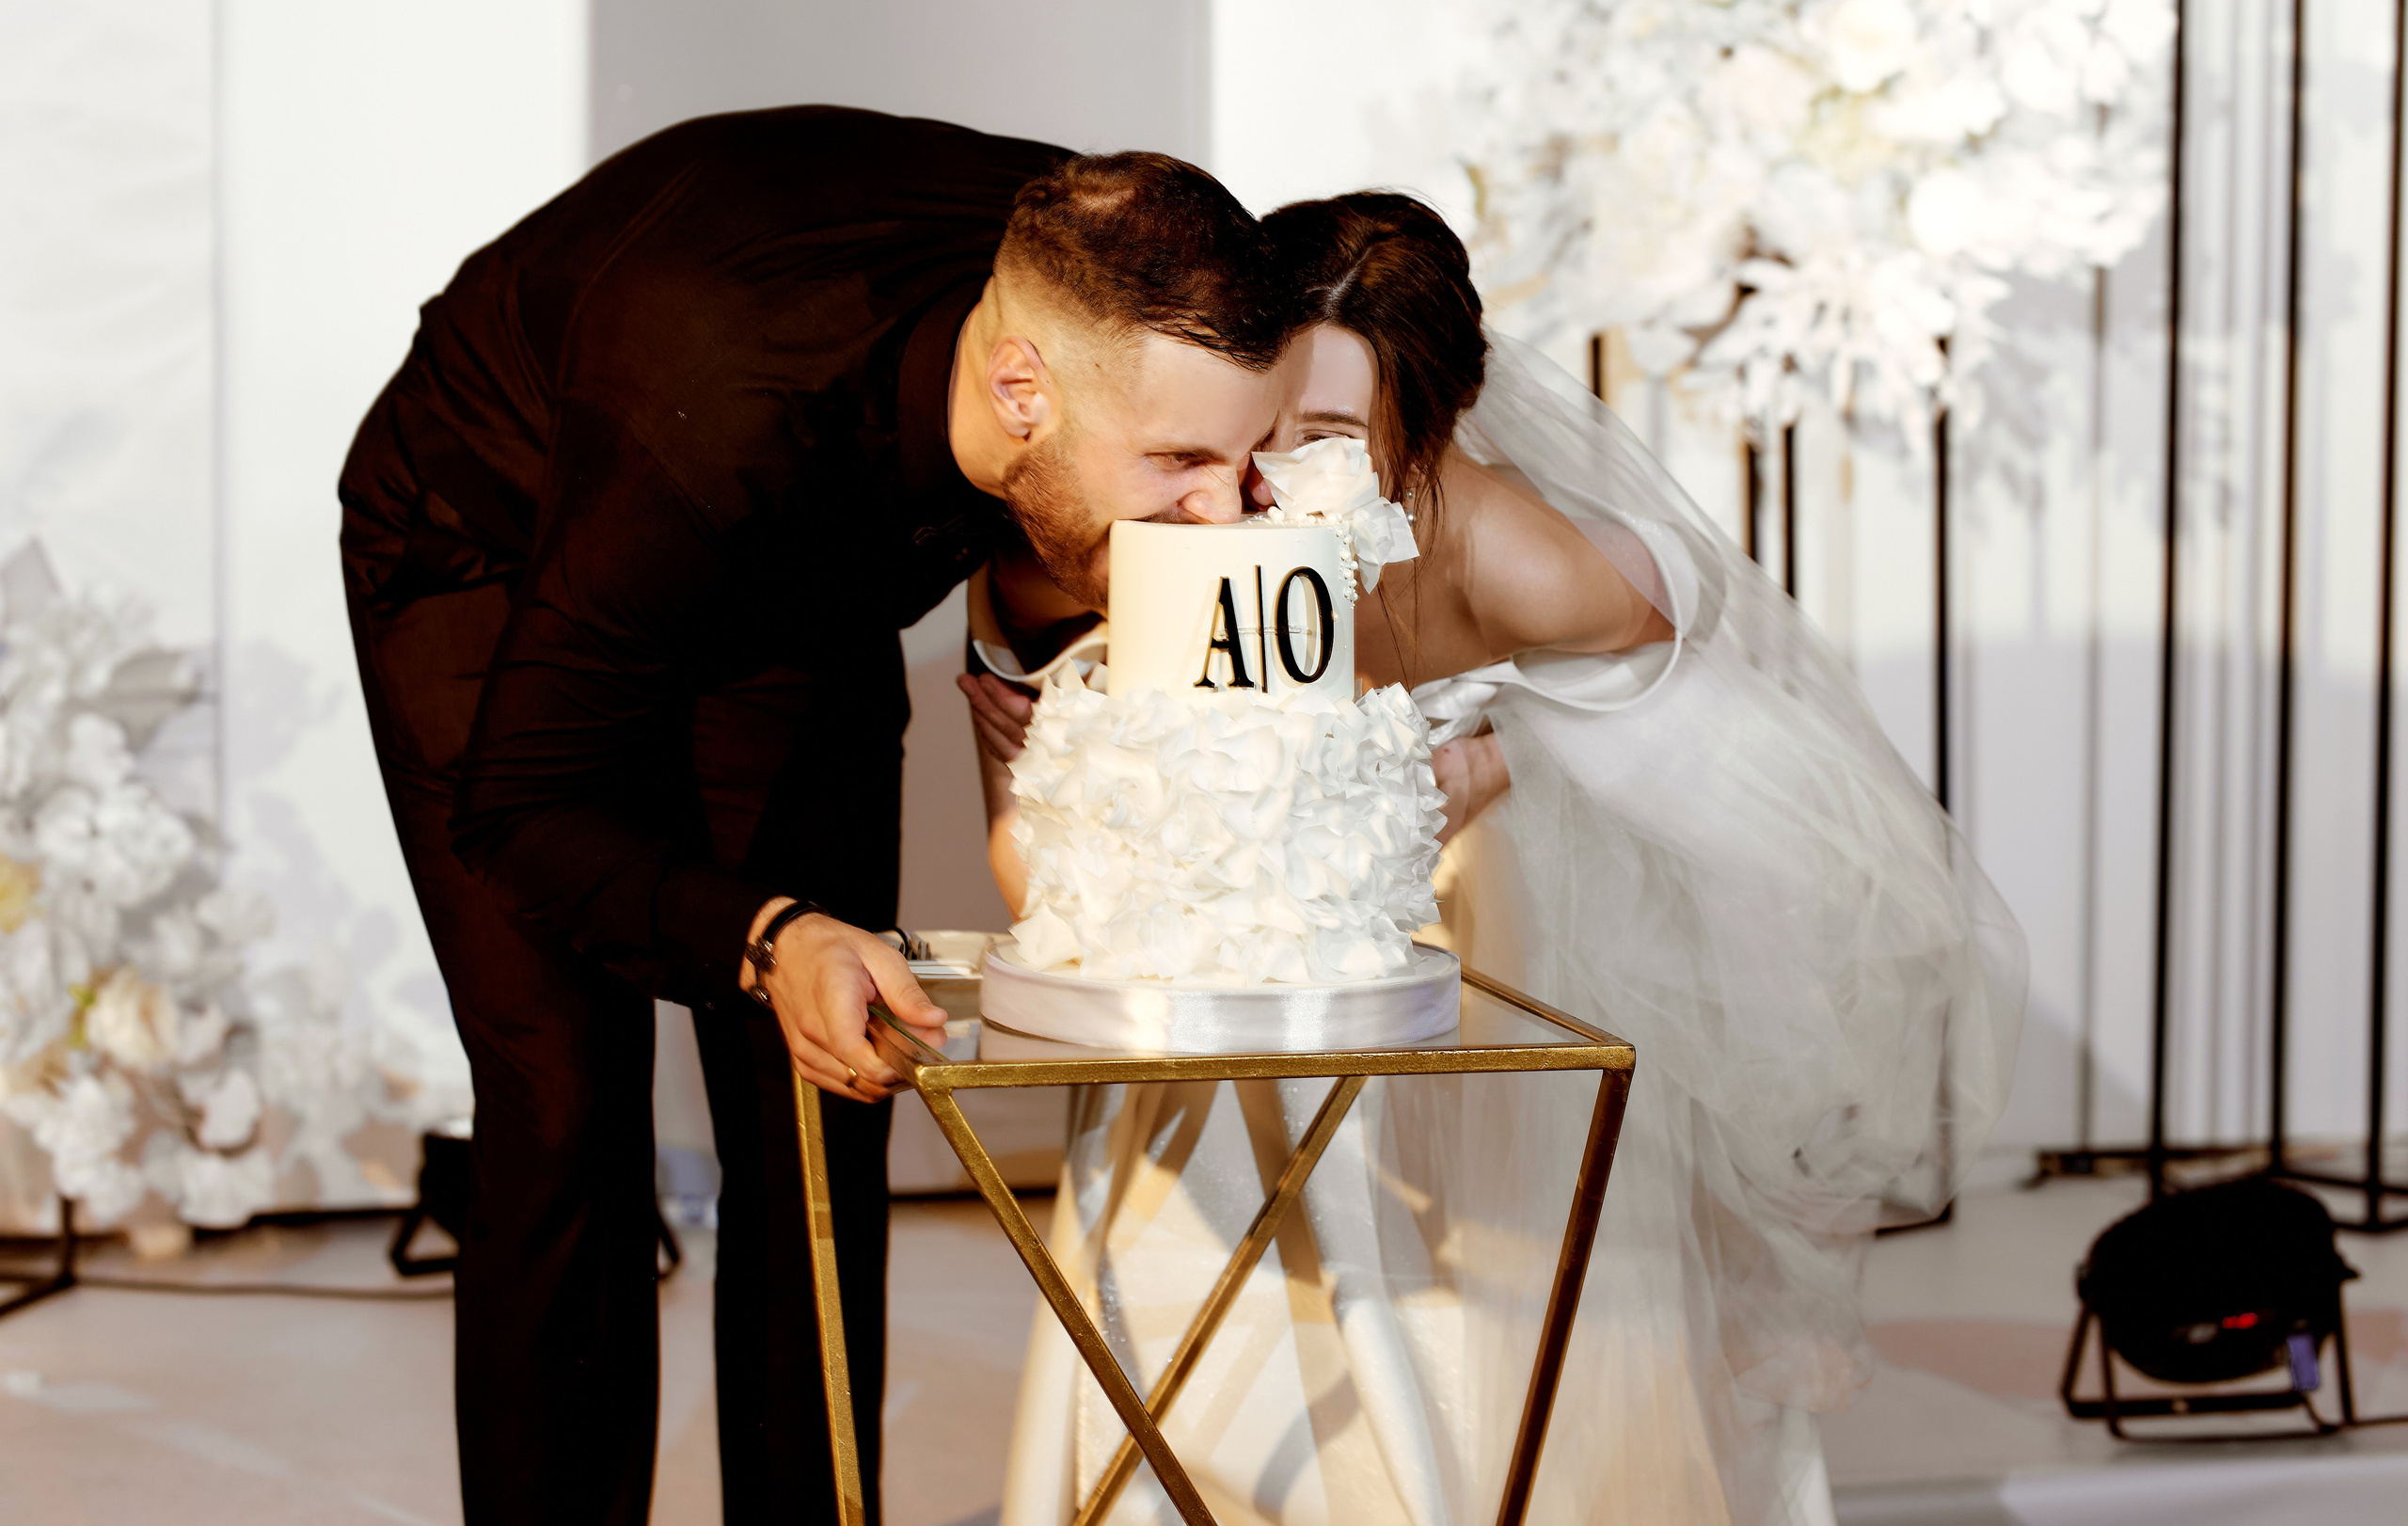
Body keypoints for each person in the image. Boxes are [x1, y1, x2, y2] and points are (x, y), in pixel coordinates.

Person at [962, 195, 2024, 1525]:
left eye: (1332, 440)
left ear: (1431, 433)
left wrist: (1504, 750)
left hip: (1447, 950)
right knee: (1200, 1253)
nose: (1268, 481)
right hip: (1237, 954)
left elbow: (1700, 691)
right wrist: (1033, 744)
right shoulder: (1185, 523)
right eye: (1260, 430)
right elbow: (1067, 837)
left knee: (1467, 1327)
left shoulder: (1528, 559)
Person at [337, 105, 1300, 1526]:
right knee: (565, 1102)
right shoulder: (714, 406)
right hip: (493, 533)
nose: (1227, 515)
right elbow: (524, 803)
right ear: (1021, 388)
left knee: (827, 1082)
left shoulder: (1107, 273)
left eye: (1245, 455)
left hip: (791, 565)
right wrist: (765, 930)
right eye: (1178, 468)